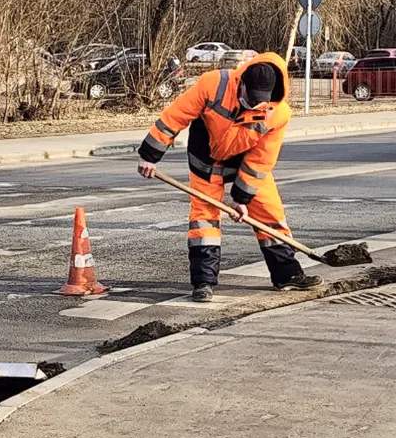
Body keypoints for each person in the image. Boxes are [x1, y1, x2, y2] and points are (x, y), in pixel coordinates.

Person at [137, 53, 323, 302]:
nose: (255, 104)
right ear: (242, 83)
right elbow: (176, 116)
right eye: (250, 97)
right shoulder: (213, 84)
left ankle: (286, 275)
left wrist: (242, 198)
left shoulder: (278, 113)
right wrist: (150, 155)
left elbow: (261, 159)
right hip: (207, 157)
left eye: (260, 101)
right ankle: (204, 282)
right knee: (204, 221)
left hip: (245, 161)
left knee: (270, 213)